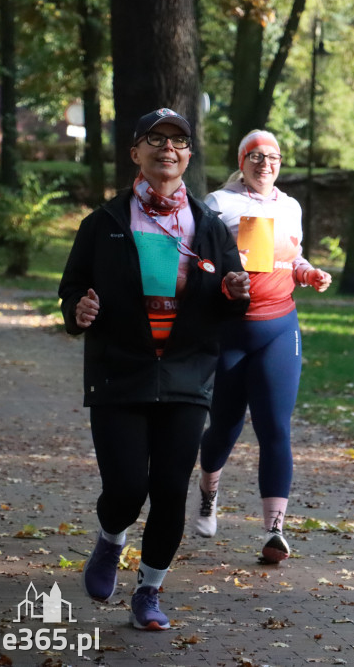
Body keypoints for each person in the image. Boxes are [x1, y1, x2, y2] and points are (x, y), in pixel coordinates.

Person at [58, 108, 250, 631]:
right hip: (120, 372)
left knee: (170, 489)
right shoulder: (104, 224)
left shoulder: (208, 227)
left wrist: (234, 293)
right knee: (125, 489)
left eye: (179, 141)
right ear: (135, 153)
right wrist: (78, 309)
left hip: (187, 376)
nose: (168, 148)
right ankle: (111, 538)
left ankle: (148, 590)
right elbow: (72, 287)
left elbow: (230, 296)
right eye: (155, 139)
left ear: (189, 156)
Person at [194, 129, 332, 564]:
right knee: (225, 426)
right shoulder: (219, 204)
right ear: (242, 161)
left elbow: (294, 258)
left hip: (279, 328)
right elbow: (199, 261)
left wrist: (310, 274)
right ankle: (207, 492)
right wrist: (222, 282)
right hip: (232, 332)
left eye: (272, 157)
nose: (264, 164)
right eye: (255, 156)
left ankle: (275, 530)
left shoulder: (290, 206)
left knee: (276, 427)